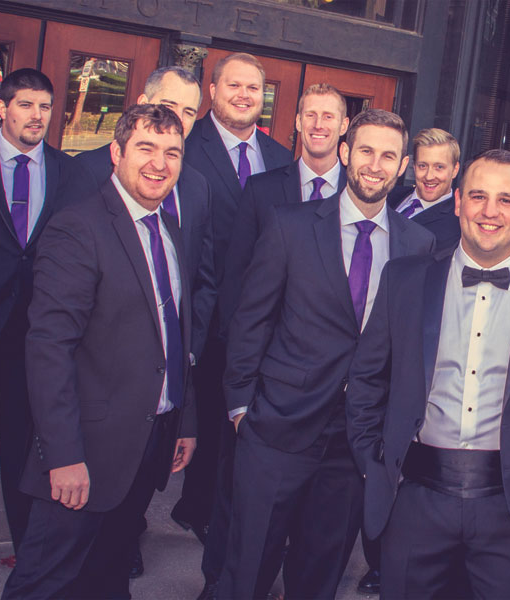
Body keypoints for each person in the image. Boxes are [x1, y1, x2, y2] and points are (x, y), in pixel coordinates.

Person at [345, 149, 510, 599]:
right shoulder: (404, 280)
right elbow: (367, 380)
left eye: (506, 200)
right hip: (415, 500)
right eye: (478, 196)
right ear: (457, 202)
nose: (490, 212)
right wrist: (375, 463)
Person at [219, 109, 435, 600]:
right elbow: (251, 318)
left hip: (356, 442)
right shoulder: (290, 226)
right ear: (344, 152)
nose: (375, 165)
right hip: (277, 428)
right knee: (246, 570)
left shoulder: (418, 244)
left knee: (319, 576)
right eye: (365, 151)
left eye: (388, 156)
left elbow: (410, 343)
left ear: (403, 166)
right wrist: (240, 406)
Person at [1, 104, 197, 599]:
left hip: (148, 443)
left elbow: (174, 334)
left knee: (108, 580)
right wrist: (63, 455)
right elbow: (49, 350)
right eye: (146, 148)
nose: (159, 163)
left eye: (172, 152)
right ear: (116, 152)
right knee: (44, 583)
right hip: (85, 455)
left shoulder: (168, 229)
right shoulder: (78, 228)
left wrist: (184, 419)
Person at [75, 67, 216, 568]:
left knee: (113, 554)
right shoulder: (85, 179)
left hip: (161, 402)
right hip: (98, 407)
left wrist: (187, 353)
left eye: (188, 112)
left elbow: (198, 283)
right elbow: (57, 329)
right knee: (61, 562)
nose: (178, 118)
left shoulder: (194, 190)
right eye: (169, 105)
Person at [0, 68, 96, 555]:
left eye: (44, 106)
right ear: (2, 108)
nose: (36, 115)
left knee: (23, 449)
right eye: (25, 105)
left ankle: (26, 552)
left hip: (33, 337)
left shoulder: (70, 173)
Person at [183, 52, 292, 599]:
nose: (245, 95)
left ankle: (217, 536)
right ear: (213, 89)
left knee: (236, 451)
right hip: (204, 322)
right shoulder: (185, 146)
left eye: (255, 87)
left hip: (262, 333)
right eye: (235, 85)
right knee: (189, 433)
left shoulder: (281, 158)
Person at [220, 83, 350, 330]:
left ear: (344, 125)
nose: (318, 125)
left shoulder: (356, 195)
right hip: (268, 337)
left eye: (328, 116)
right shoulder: (260, 190)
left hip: (334, 342)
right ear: (298, 122)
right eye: (310, 115)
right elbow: (237, 273)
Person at [387, 127, 462, 251]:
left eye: (439, 167)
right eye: (422, 166)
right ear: (414, 166)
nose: (429, 176)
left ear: (455, 170)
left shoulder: (457, 224)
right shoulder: (389, 195)